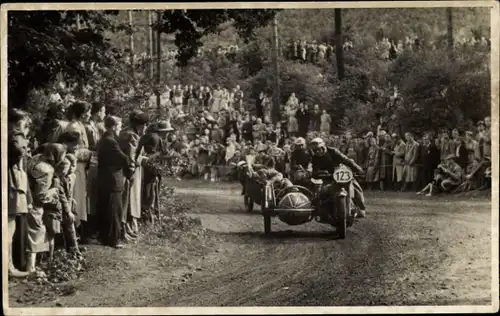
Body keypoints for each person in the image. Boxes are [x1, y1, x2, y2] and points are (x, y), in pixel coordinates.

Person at [309, 137, 366, 218]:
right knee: (322, 192)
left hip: (340, 173)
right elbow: (314, 172)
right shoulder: (314, 158)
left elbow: (347, 160)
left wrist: (359, 170)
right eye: (315, 150)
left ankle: (361, 209)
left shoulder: (333, 151)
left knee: (356, 187)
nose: (317, 152)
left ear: (323, 147)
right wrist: (320, 172)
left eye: (318, 149)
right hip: (328, 178)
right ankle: (324, 212)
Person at [97, 115, 131, 248]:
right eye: (119, 125)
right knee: (114, 210)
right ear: (114, 126)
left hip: (106, 178)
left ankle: (106, 237)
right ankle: (113, 239)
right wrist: (128, 162)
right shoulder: (110, 141)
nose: (120, 128)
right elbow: (123, 159)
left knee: (108, 209)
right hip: (112, 179)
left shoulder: (105, 139)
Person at [119, 110, 149, 240]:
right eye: (144, 125)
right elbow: (131, 157)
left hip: (118, 169)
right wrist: (131, 172)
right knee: (126, 200)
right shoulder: (133, 136)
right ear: (140, 125)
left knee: (124, 200)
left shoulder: (122, 132)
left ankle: (124, 227)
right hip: (127, 171)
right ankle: (123, 229)